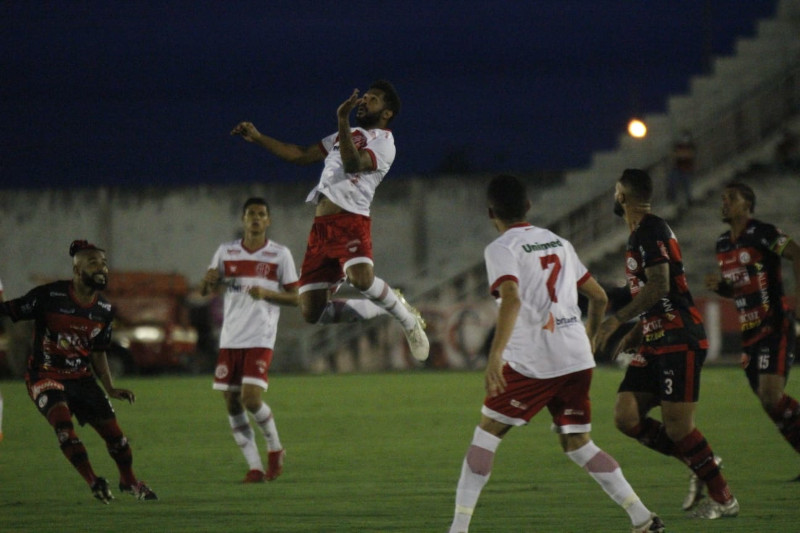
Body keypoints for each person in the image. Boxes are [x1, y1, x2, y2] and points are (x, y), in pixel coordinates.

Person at [448, 174, 665, 533]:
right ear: (529, 207)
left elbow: (512, 299)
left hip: (535, 362)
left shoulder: (501, 248)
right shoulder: (557, 242)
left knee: (485, 436)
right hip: (576, 358)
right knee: (578, 443)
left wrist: (494, 356)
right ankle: (642, 518)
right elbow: (598, 297)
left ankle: (457, 529)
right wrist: (590, 336)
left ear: (491, 212)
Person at [230, 80, 429, 362]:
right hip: (320, 229)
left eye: (372, 99)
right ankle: (387, 305)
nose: (364, 102)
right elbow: (300, 155)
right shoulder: (342, 136)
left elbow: (352, 164)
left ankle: (407, 321)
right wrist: (259, 137)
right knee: (312, 312)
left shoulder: (385, 144)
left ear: (387, 113)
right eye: (365, 97)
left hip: (351, 220)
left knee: (361, 279)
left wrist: (341, 119)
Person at [595, 169, 738, 520]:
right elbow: (661, 292)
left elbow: (660, 286)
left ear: (623, 196)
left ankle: (724, 499)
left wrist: (617, 319)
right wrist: (638, 330)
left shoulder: (651, 230)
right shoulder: (640, 235)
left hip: (678, 337)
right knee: (626, 416)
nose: (615, 198)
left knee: (678, 428)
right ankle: (701, 462)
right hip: (656, 336)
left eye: (616, 192)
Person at [0, 240, 157, 503]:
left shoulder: (104, 310)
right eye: (93, 263)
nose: (102, 268)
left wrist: (109, 387)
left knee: (117, 439)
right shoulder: (49, 296)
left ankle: (129, 482)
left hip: (82, 380)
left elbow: (98, 351)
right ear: (76, 270)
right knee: (63, 426)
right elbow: (8, 310)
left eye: (104, 264)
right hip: (45, 375)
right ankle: (94, 481)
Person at [704, 181, 800, 477]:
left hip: (774, 324)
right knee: (768, 402)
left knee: (771, 395)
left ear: (747, 203)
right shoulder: (722, 243)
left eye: (730, 198)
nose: (724, 203)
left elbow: (797, 253)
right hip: (749, 333)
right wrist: (723, 288)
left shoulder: (763, 233)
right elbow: (741, 289)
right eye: (722, 198)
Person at [200, 197, 299, 482]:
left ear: (268, 221)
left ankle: (274, 448)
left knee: (250, 398)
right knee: (231, 402)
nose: (256, 218)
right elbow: (206, 290)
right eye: (251, 214)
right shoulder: (225, 252)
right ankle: (255, 467)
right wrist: (207, 281)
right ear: (243, 219)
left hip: (260, 336)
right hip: (230, 338)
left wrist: (268, 294)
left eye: (261, 214)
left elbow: (298, 297)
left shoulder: (280, 255)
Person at [667, 130, 696, 208]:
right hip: (678, 169)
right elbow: (676, 156)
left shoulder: (690, 147)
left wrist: (682, 156)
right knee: (673, 183)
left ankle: (688, 200)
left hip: (686, 169)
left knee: (686, 185)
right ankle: (673, 199)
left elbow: (687, 156)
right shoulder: (678, 146)